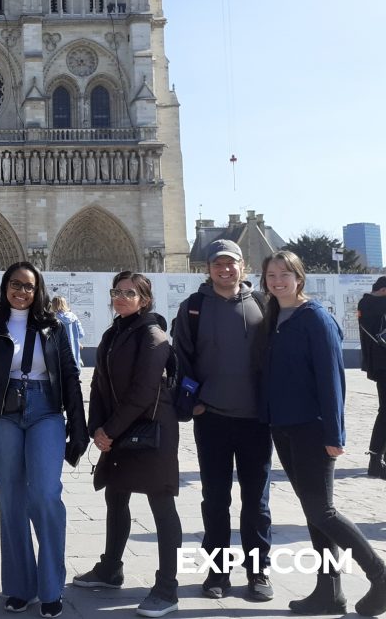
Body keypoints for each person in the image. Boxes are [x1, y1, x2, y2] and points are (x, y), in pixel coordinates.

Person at [260, 251, 386, 617]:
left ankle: (379, 575)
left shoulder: (315, 318)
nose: (278, 280)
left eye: (285, 273)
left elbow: (332, 379)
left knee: (323, 511)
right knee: (313, 512)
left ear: (299, 277)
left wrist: (335, 434)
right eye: (271, 275)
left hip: (312, 428)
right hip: (282, 427)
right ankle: (328, 591)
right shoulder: (274, 316)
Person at [0, 262, 88, 616]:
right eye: (15, 285)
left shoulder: (53, 326)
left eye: (29, 287)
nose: (22, 292)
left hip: (45, 410)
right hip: (3, 413)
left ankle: (52, 588)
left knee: (46, 494)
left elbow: (69, 374)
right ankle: (20, 586)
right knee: (12, 498)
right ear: (5, 287)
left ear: (39, 291)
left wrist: (77, 427)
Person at [73, 271, 181, 619]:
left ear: (145, 300)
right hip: (119, 430)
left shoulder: (153, 336)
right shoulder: (113, 332)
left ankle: (167, 588)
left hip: (152, 432)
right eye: (116, 292)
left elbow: (143, 392)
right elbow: (99, 385)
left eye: (129, 293)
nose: (120, 297)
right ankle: (110, 569)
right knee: (115, 495)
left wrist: (110, 431)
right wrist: (96, 428)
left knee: (161, 506)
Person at [172, 238, 273, 601]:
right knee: (215, 500)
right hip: (212, 417)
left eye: (231, 264)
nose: (225, 269)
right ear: (208, 268)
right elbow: (180, 357)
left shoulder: (263, 304)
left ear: (242, 267)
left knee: (257, 502)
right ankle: (217, 573)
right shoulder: (194, 307)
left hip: (256, 420)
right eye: (218, 264)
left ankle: (259, 573)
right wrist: (194, 402)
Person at [358, 276, 386, 479]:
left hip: (378, 365)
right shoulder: (376, 304)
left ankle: (377, 460)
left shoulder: (365, 303)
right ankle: (376, 462)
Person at [50, 295, 85, 369]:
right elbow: (81, 334)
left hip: (58, 351)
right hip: (73, 350)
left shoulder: (52, 318)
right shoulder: (73, 317)